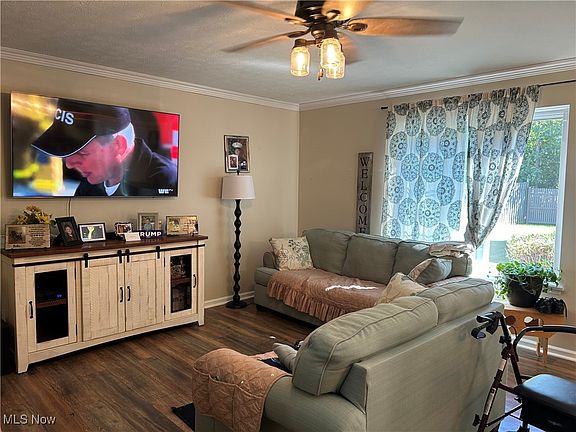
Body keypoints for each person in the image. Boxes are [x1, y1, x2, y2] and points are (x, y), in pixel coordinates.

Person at [31, 99, 177, 196]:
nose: (69, 164)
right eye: (68, 152)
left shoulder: (163, 182)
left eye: (82, 153)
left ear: (118, 146)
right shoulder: (88, 186)